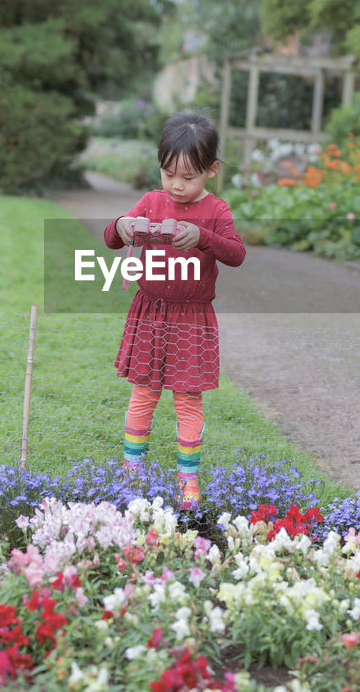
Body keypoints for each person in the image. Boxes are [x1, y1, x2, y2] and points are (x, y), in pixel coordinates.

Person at [103, 111, 245, 509]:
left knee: (187, 398)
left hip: (191, 316)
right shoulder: (151, 201)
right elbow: (111, 237)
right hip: (150, 312)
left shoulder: (217, 211)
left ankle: (188, 482)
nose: (177, 186)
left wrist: (203, 237)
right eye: (169, 174)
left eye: (189, 177)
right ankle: (132, 477)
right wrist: (122, 226)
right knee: (143, 393)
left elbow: (236, 254)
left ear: (212, 170)